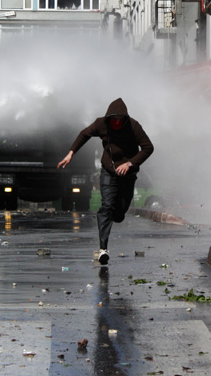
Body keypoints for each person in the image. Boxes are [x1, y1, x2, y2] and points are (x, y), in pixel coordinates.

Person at [58, 98, 154, 265]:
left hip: (128, 174)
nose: (117, 122)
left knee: (119, 213)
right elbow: (84, 134)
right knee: (106, 206)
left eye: (120, 119)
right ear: (108, 117)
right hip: (108, 171)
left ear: (125, 118)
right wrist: (71, 152)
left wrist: (130, 163)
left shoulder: (134, 126)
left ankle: (118, 214)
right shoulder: (101, 123)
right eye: (114, 119)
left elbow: (148, 147)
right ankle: (103, 249)